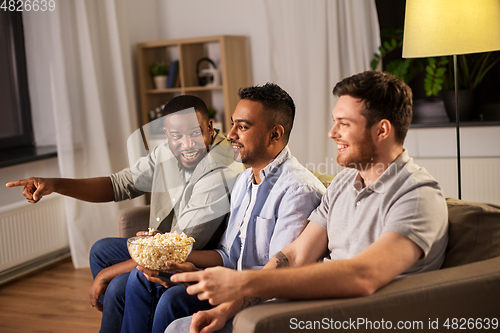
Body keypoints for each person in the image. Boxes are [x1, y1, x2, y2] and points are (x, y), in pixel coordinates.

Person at [166, 71, 449, 333]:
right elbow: (294, 256)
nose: (332, 132)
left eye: (344, 123)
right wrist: (229, 307)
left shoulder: (416, 195)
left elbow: (364, 275)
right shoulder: (343, 185)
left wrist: (241, 282)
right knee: (179, 327)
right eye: (334, 121)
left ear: (382, 130)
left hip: (360, 318)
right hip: (318, 306)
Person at [5, 95, 244, 333]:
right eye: (176, 136)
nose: (187, 144)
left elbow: (175, 250)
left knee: (120, 283)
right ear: (166, 134)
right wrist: (55, 185)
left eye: (195, 132)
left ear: (210, 127)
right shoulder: (166, 153)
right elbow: (119, 184)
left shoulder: (221, 170)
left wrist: (105, 276)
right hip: (166, 246)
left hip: (196, 259)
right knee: (101, 251)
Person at [119, 83, 326, 333]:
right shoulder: (244, 181)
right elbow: (228, 256)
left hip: (262, 301)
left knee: (170, 305)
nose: (229, 135)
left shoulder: (298, 191)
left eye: (243, 126)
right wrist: (167, 253)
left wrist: (226, 302)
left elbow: (277, 281)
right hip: (231, 285)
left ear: (275, 134)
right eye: (232, 124)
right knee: (147, 281)